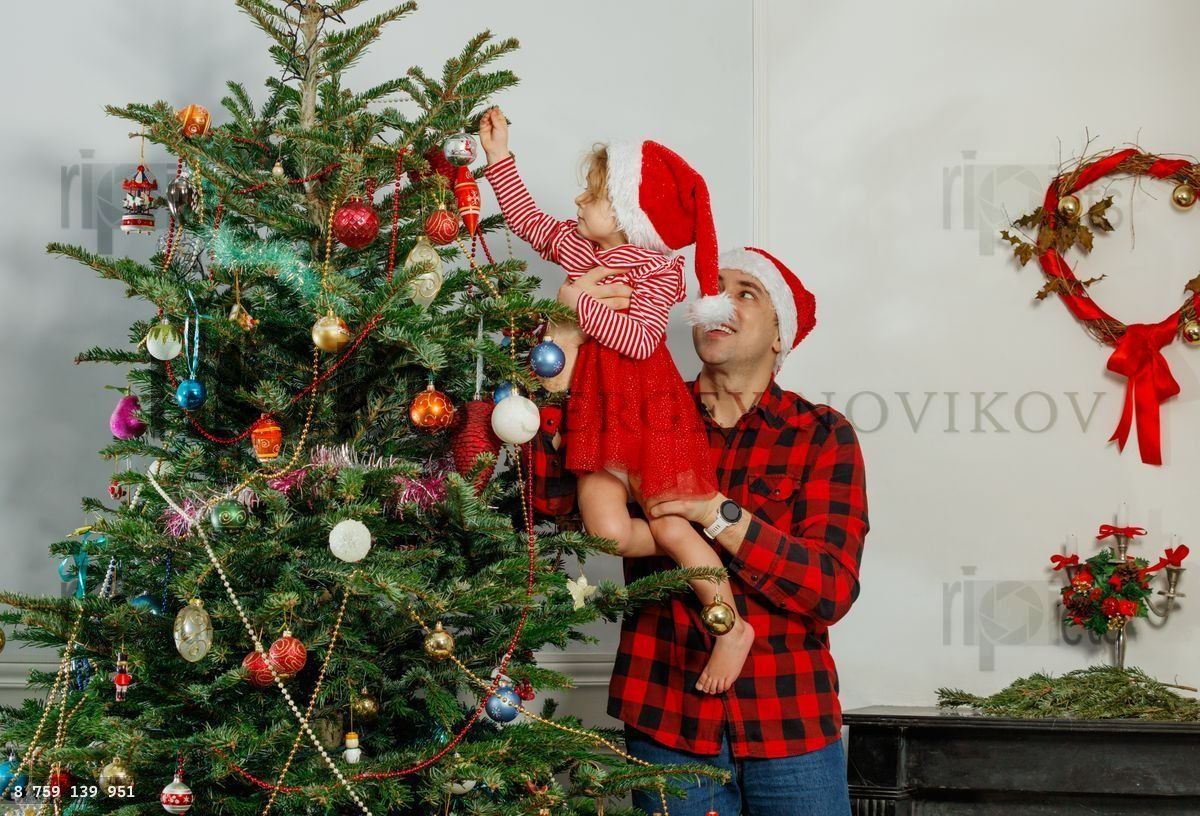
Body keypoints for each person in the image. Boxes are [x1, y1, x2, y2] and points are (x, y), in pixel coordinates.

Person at [542, 249, 869, 815]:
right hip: (666, 718)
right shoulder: (641, 413)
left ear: (779, 335)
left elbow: (830, 589)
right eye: (713, 289)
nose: (719, 301)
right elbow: (549, 502)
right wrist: (561, 344)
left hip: (789, 727)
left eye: (746, 293)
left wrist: (716, 512)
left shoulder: (821, 435)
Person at [478, 107, 755, 691]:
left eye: (593, 196)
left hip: (649, 416)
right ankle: (706, 534)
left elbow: (640, 338)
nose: (578, 203)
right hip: (597, 418)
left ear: (629, 215)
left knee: (670, 521)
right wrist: (499, 155)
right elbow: (528, 220)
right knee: (604, 531)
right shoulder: (580, 250)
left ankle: (729, 626)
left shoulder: (659, 269)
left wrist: (575, 303)